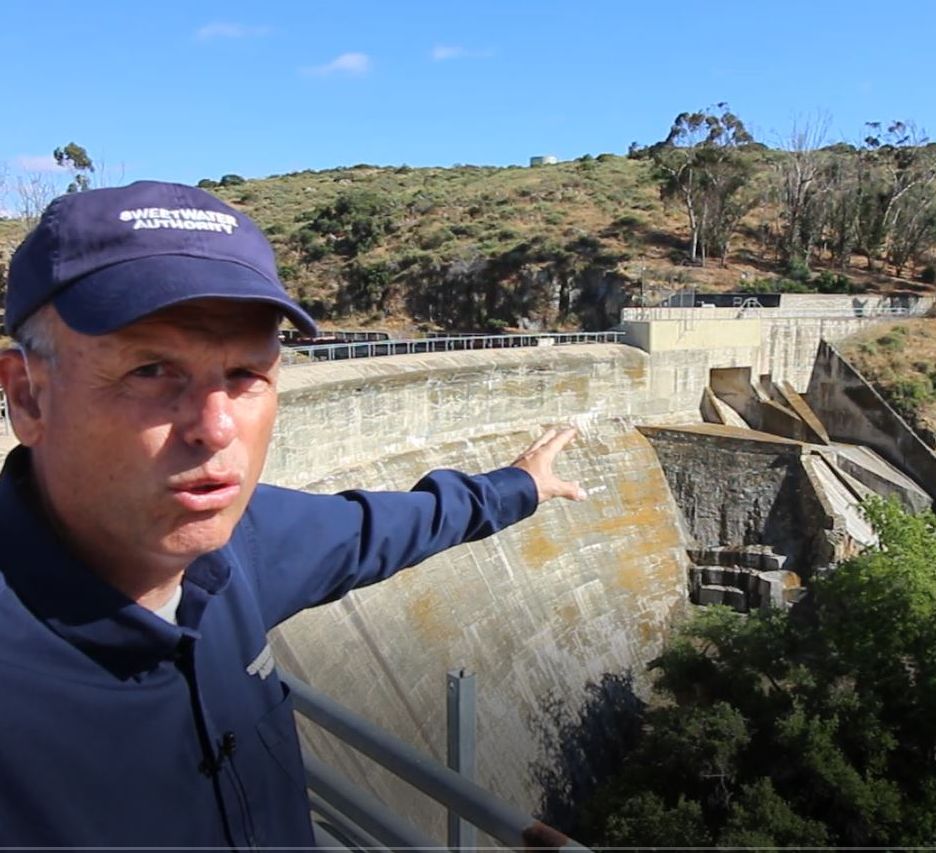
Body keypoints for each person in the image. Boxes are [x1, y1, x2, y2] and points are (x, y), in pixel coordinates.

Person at [0, 181, 584, 847]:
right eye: (152, 369)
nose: (216, 427)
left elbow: (385, 527)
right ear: (29, 397)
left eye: (246, 372)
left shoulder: (241, 547)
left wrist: (519, 486)